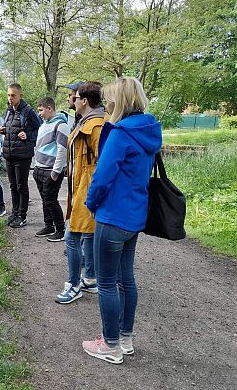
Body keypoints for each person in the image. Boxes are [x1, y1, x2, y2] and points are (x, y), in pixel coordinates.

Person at [82, 77, 162, 364]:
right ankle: (125, 339)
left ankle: (110, 345)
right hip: (134, 217)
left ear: (119, 101)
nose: (106, 105)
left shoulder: (119, 133)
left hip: (112, 216)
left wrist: (90, 203)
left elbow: (102, 177)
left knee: (106, 283)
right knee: (126, 279)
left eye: (109, 100)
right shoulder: (149, 130)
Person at [55, 82, 105, 304]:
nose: (72, 100)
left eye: (74, 98)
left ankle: (73, 284)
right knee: (87, 235)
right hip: (80, 189)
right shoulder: (85, 122)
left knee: (71, 237)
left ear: (84, 101)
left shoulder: (96, 127)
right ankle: (91, 278)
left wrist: (92, 193)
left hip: (87, 191)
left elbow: (103, 164)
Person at [0, 83, 42, 228]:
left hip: (23, 156)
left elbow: (40, 130)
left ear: (20, 96)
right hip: (9, 154)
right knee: (12, 186)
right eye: (8, 95)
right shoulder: (8, 111)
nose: (10, 98)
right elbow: (12, 128)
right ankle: (15, 213)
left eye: (13, 95)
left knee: (21, 186)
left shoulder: (29, 111)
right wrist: (4, 130)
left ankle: (22, 216)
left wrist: (28, 135)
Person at [33, 97, 70, 242]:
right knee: (44, 199)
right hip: (39, 169)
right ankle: (49, 226)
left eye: (41, 110)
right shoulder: (43, 125)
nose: (40, 114)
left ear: (50, 108)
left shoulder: (61, 125)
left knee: (51, 200)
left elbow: (62, 150)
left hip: (51, 171)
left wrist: (55, 173)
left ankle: (60, 229)